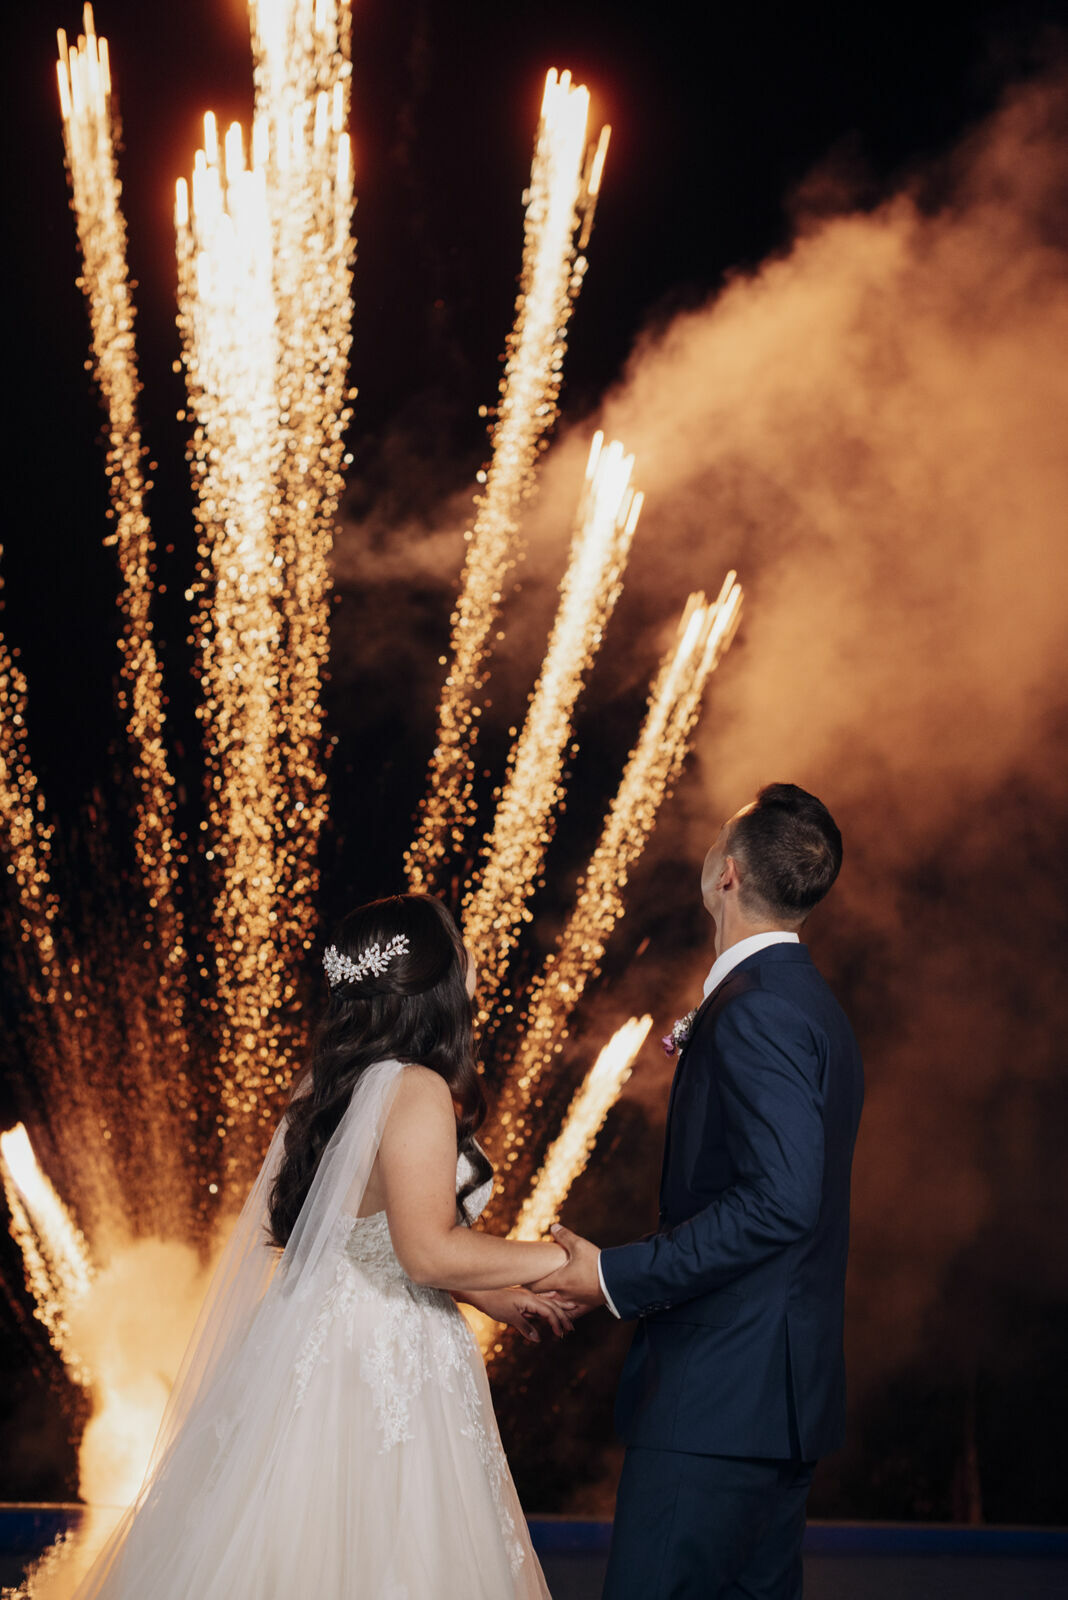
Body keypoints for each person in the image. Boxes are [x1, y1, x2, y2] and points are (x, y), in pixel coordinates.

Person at [74, 893, 573, 1600]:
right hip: (383, 1357)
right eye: (460, 953)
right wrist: (567, 1261)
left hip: (318, 1342)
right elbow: (426, 1251)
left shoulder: (341, 1084)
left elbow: (369, 1240)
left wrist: (498, 1297)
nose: (472, 968)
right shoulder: (417, 1087)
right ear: (433, 984)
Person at [537, 783, 864, 1600]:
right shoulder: (813, 1008)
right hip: (776, 1402)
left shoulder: (757, 1013)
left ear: (728, 873)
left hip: (720, 1399)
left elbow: (784, 1199)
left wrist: (614, 1276)